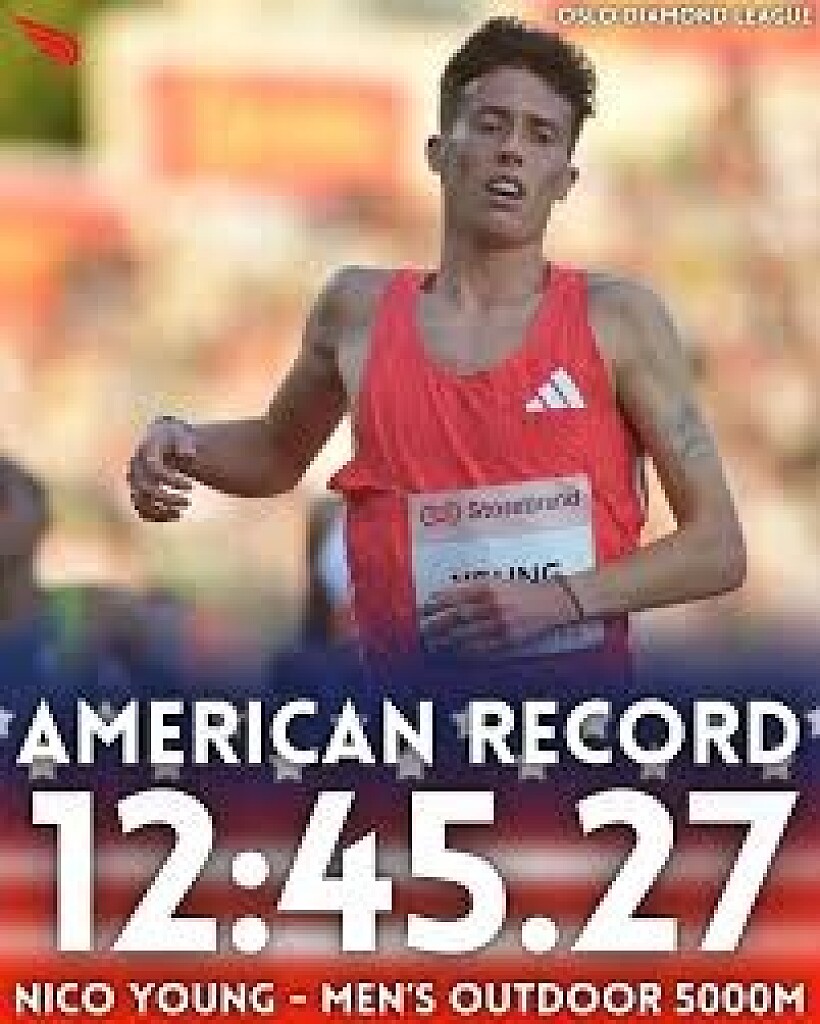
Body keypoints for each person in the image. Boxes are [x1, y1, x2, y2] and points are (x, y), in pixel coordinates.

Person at [127, 18, 746, 661]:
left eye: (541, 136)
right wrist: (183, 444)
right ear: (439, 152)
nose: (512, 151)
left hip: (562, 719)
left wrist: (560, 598)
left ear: (564, 180)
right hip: (408, 715)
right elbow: (275, 453)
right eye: (491, 125)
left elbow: (718, 548)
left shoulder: (617, 319)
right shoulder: (357, 312)